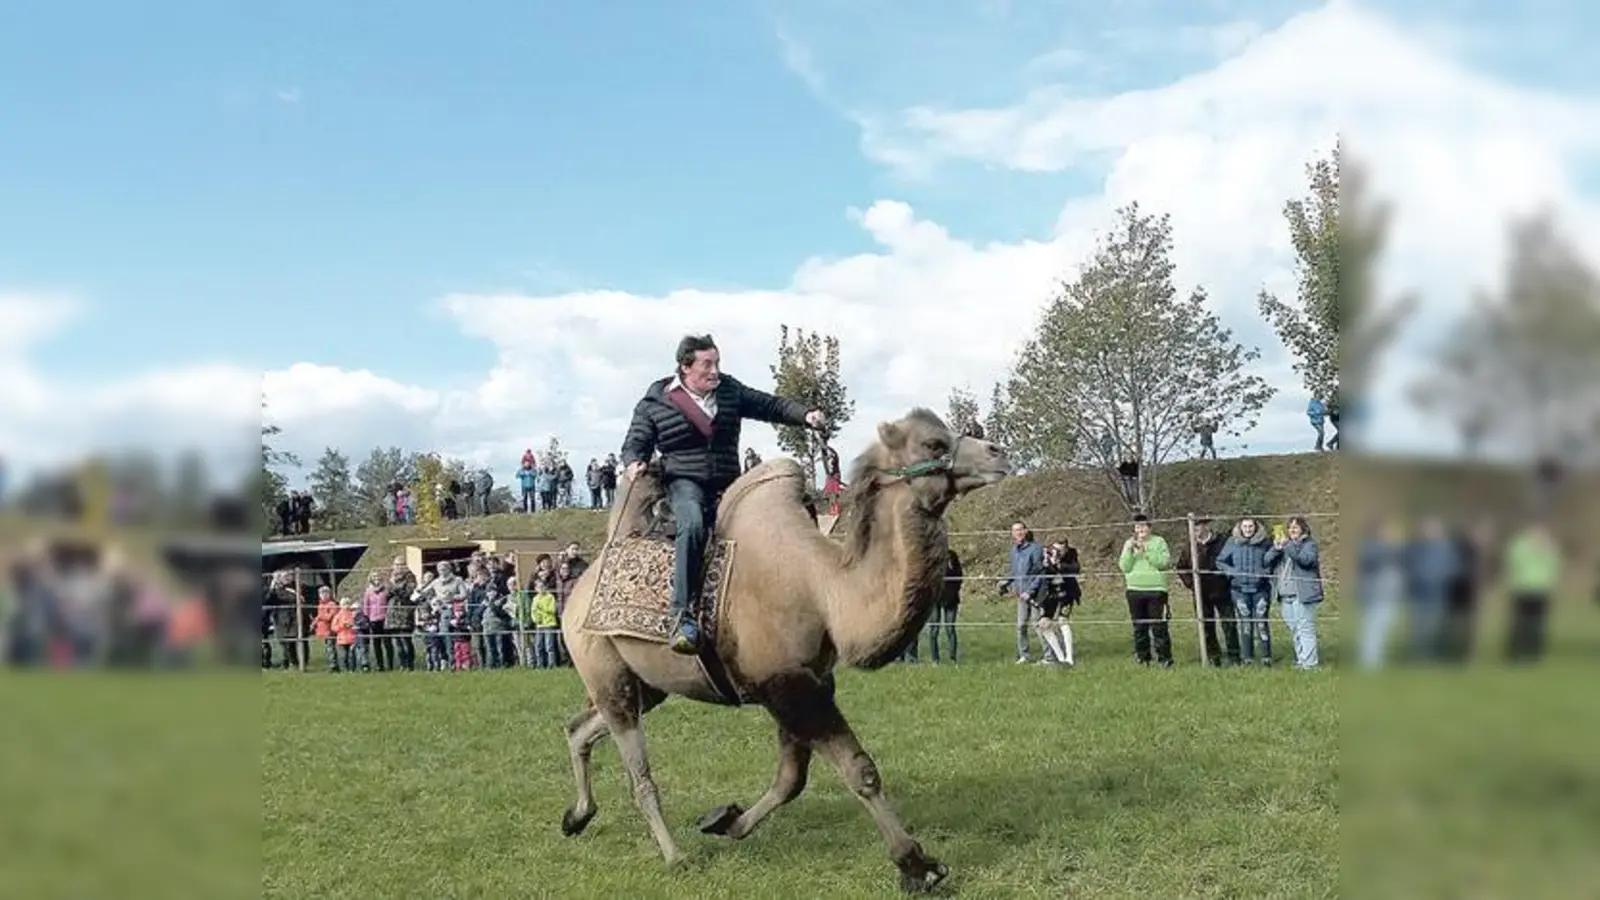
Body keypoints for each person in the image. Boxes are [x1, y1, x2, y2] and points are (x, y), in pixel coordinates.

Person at [620, 334, 826, 654]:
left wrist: (805, 415)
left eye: (717, 363)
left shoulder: (729, 391)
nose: (715, 371)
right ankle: (682, 615)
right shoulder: (655, 402)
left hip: (730, 481)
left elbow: (769, 405)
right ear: (686, 367)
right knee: (692, 524)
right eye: (707, 364)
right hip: (684, 483)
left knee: (781, 516)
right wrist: (634, 461)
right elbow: (636, 440)